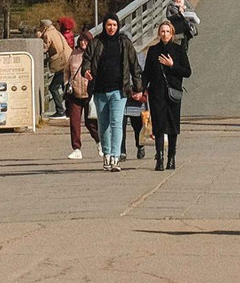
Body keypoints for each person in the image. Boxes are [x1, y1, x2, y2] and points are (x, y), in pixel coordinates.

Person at [85, 15, 133, 171]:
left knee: (117, 123)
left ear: (118, 26)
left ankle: (115, 157)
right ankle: (106, 154)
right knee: (103, 124)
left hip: (119, 91)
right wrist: (86, 71)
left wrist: (138, 87)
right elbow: (87, 60)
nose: (111, 28)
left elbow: (134, 65)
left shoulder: (124, 43)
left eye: (114, 25)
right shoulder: (96, 42)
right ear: (104, 26)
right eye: (108, 25)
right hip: (100, 90)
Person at [142, 20, 190, 171]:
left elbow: (187, 71)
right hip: (157, 93)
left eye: (168, 31)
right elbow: (147, 72)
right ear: (159, 33)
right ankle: (160, 158)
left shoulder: (178, 50)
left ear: (172, 33)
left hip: (173, 93)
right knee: (159, 127)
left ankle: (171, 158)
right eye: (162, 31)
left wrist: (172, 65)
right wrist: (142, 88)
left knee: (173, 126)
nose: (165, 34)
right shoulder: (153, 50)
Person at [64, 26, 91, 160]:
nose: (83, 43)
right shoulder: (73, 54)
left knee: (91, 123)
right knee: (74, 122)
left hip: (89, 93)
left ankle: (99, 142)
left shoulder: (94, 54)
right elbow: (66, 70)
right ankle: (76, 148)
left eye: (85, 41)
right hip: (75, 93)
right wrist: (66, 83)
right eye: (81, 41)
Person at [39, 16, 74, 120]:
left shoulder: (47, 34)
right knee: (65, 87)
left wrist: (39, 38)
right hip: (67, 60)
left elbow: (44, 48)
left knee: (53, 87)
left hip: (61, 63)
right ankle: (69, 110)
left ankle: (60, 111)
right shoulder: (56, 32)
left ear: (44, 26)